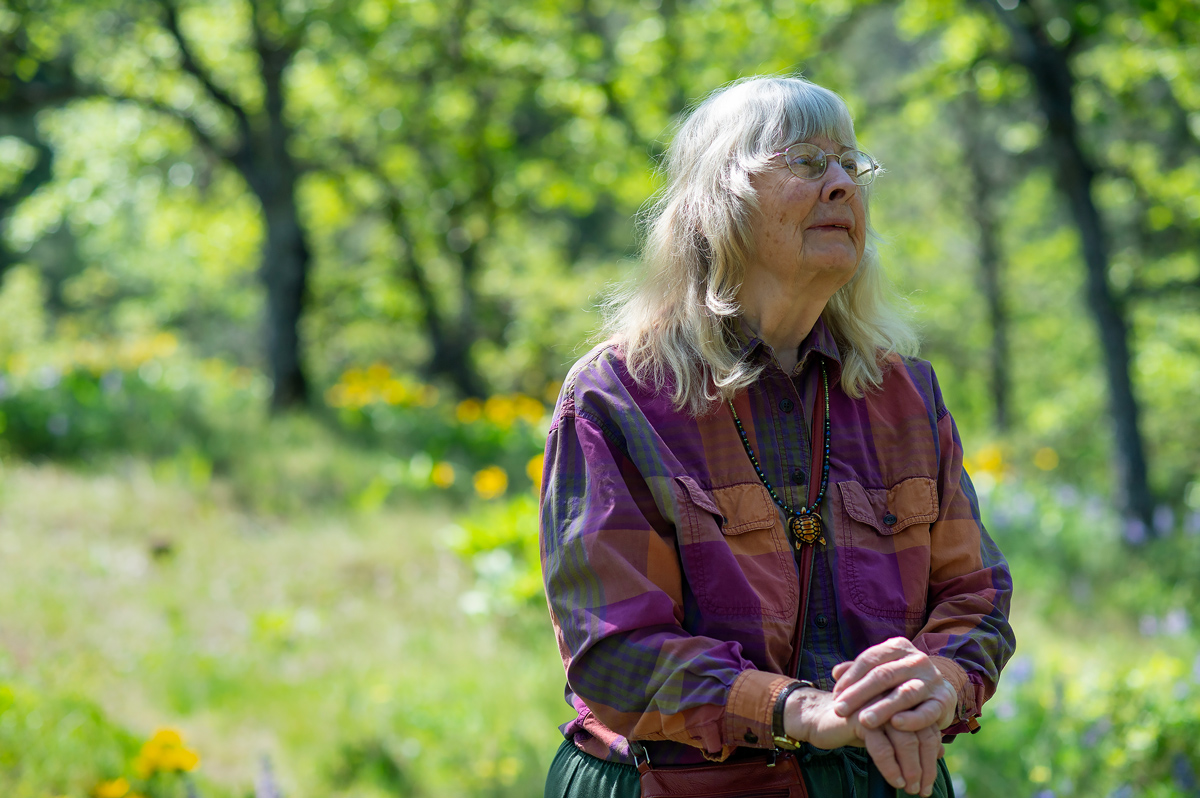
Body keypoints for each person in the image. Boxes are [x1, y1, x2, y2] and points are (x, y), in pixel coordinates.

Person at [539, 75, 1015, 798]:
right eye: (805, 161)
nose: (840, 186)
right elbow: (614, 651)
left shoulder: (905, 396)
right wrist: (794, 708)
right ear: (716, 203)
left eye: (850, 165)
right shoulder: (618, 396)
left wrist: (940, 681)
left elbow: (974, 595)